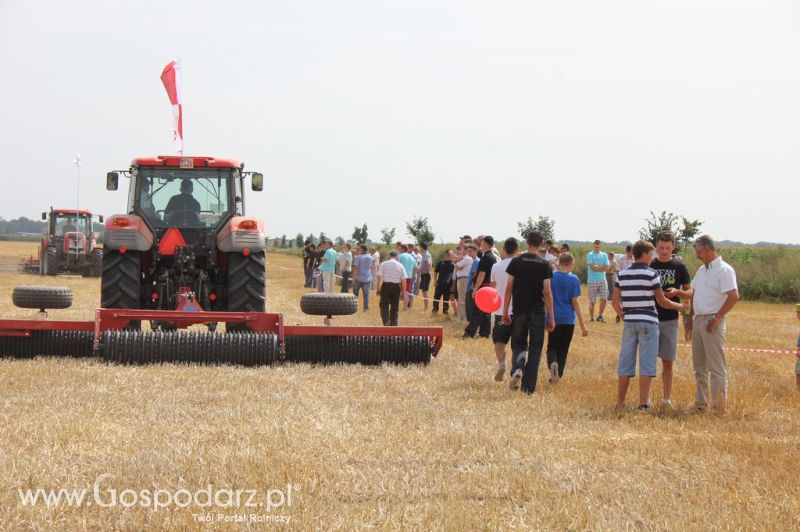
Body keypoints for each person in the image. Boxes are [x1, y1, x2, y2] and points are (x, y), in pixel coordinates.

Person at [612, 240, 687, 410]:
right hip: (648, 322)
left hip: (630, 322)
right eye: (651, 254)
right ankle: (643, 403)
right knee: (647, 362)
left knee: (625, 362)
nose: (653, 257)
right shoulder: (652, 274)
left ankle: (620, 402)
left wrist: (623, 315)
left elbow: (615, 302)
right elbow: (662, 301)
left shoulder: (621, 274)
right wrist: (679, 306)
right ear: (645, 254)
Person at [687, 235, 739, 413]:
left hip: (712, 321)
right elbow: (692, 293)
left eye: (699, 252)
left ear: (709, 249)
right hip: (698, 320)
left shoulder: (724, 270)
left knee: (716, 367)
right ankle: (701, 404)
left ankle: (718, 407)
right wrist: (689, 317)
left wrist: (717, 319)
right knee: (699, 367)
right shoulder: (702, 270)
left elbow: (733, 296)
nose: (698, 255)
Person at [501, 231, 555, 395]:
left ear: (527, 242)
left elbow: (509, 287)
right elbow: (547, 292)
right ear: (541, 245)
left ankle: (517, 368)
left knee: (518, 343)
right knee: (536, 348)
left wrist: (505, 312)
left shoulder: (517, 261)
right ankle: (528, 387)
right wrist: (551, 316)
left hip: (519, 310)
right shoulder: (545, 264)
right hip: (537, 311)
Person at [650, 231, 693, 408]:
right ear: (656, 247)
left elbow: (690, 292)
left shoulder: (680, 267)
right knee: (648, 361)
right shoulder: (650, 264)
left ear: (673, 247)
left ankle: (666, 398)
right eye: (661, 247)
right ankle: (646, 398)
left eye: (668, 248)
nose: (664, 251)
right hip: (650, 317)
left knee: (668, 361)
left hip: (670, 319)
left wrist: (678, 293)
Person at [546, 253, 589, 384]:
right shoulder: (574, 279)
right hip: (569, 319)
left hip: (554, 317)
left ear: (559, 263)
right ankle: (558, 374)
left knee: (552, 347)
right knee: (563, 348)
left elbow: (546, 296)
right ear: (570, 264)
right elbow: (575, 302)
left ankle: (553, 363)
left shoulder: (551, 277)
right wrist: (583, 325)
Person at [490, 237, 518, 381]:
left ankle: (501, 363)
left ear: (503, 249)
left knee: (499, 340)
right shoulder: (521, 266)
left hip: (500, 309)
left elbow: (492, 288)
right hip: (518, 311)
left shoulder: (496, 267)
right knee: (518, 343)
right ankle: (517, 367)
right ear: (517, 249)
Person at [464, 236, 496, 338]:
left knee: (478, 311)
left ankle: (470, 332)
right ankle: (484, 333)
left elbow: (482, 274)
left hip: (483, 288)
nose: (480, 245)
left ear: (486, 244)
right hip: (489, 288)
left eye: (482, 243)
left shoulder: (486, 257)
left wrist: (476, 289)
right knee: (486, 311)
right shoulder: (492, 257)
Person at [375, 250, 408, 326]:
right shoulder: (400, 265)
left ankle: (386, 321)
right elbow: (404, 279)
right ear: (397, 257)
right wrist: (403, 292)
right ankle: (393, 324)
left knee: (384, 305)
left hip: (386, 286)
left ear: (389, 256)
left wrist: (378, 288)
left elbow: (379, 276)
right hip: (396, 287)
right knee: (394, 307)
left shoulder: (384, 264)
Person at [586, 239, 610, 322]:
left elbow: (607, 268)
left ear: (601, 246)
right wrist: (601, 267)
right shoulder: (589, 255)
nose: (597, 248)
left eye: (598, 247)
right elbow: (592, 267)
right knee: (592, 301)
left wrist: (597, 267)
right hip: (592, 280)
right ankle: (591, 318)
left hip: (603, 280)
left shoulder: (604, 255)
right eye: (595, 247)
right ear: (593, 246)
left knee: (604, 298)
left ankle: (600, 316)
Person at [454, 245, 474, 321]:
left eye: (462, 250)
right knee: (460, 298)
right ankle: (461, 316)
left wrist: (458, 261)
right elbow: (457, 267)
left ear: (465, 250)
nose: (460, 252)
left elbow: (457, 267)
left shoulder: (467, 259)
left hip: (464, 279)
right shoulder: (464, 259)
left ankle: (464, 317)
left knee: (463, 298)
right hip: (461, 279)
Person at [432, 250, 455, 314]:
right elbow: (435, 271)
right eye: (447, 254)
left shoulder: (453, 265)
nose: (448, 256)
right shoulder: (441, 262)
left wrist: (453, 285)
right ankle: (435, 310)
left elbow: (454, 277)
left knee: (446, 299)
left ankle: (445, 311)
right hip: (439, 284)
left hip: (448, 285)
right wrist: (434, 281)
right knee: (436, 297)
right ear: (445, 255)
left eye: (450, 254)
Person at [351, 244, 373, 312]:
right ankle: (365, 308)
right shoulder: (370, 257)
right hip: (367, 278)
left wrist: (353, 278)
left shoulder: (358, 257)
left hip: (358, 278)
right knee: (366, 295)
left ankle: (354, 307)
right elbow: (371, 267)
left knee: (355, 294)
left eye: (359, 249)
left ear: (362, 249)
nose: (358, 250)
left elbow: (355, 268)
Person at [397, 244, 417, 309]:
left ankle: (396, 306)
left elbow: (396, 266)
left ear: (403, 249)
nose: (399, 250)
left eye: (400, 249)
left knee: (398, 292)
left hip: (400, 277)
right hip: (409, 277)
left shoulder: (400, 256)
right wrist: (413, 275)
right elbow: (416, 268)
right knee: (407, 292)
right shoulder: (412, 257)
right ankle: (405, 307)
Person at [418, 244, 432, 311]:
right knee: (423, 291)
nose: (419, 248)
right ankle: (425, 307)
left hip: (426, 274)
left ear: (422, 247)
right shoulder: (424, 254)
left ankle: (426, 308)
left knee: (424, 291)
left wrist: (424, 271)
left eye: (420, 247)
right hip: (424, 275)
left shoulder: (426, 254)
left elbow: (428, 263)